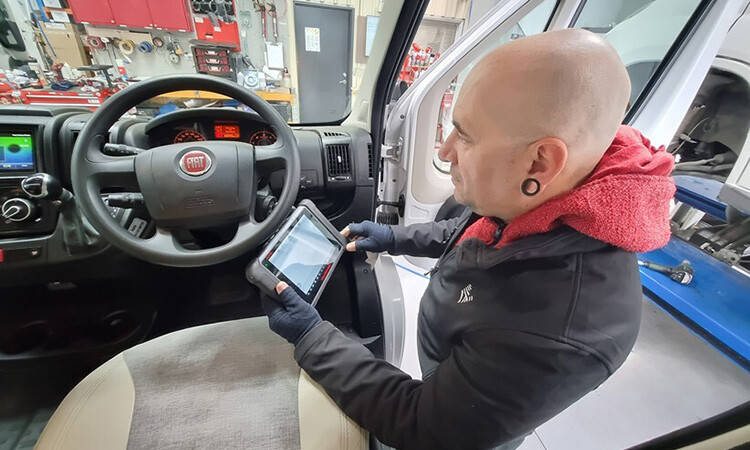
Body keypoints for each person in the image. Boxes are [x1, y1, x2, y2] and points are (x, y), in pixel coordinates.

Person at [261, 29, 676, 450]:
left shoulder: (557, 334)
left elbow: (423, 425)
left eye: (465, 135)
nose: (444, 151)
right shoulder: (545, 193)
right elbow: (471, 235)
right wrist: (393, 237)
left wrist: (313, 336)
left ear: (540, 160)